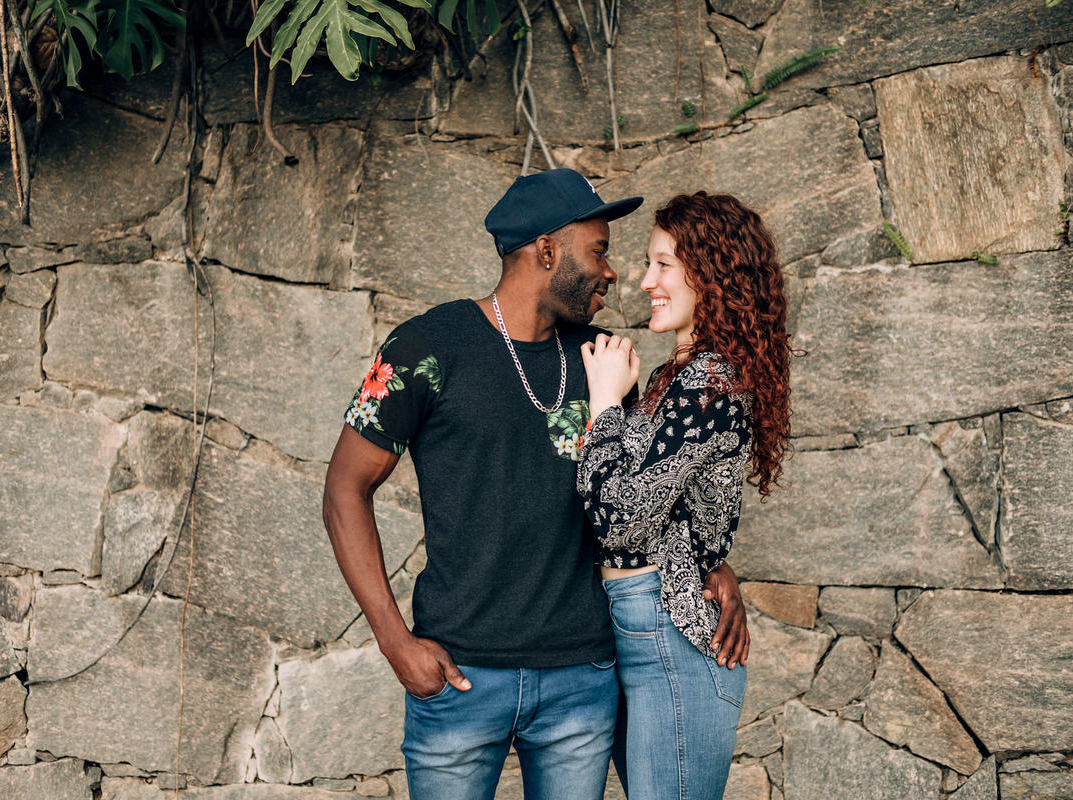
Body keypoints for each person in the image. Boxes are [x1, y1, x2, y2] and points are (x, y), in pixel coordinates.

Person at [322, 170, 751, 800]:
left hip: (582, 678)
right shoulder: (424, 348)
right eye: (599, 251)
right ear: (546, 251)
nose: (613, 273)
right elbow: (343, 493)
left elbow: (651, 491)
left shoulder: (607, 361)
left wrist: (713, 566)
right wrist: (394, 642)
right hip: (460, 674)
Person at [576, 192, 792, 800]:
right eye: (649, 263)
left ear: (712, 273)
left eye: (663, 265)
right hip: (638, 623)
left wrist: (603, 403)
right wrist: (713, 562)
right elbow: (663, 503)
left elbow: (619, 520)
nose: (646, 281)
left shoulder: (712, 383)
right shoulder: (683, 376)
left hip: (667, 633)